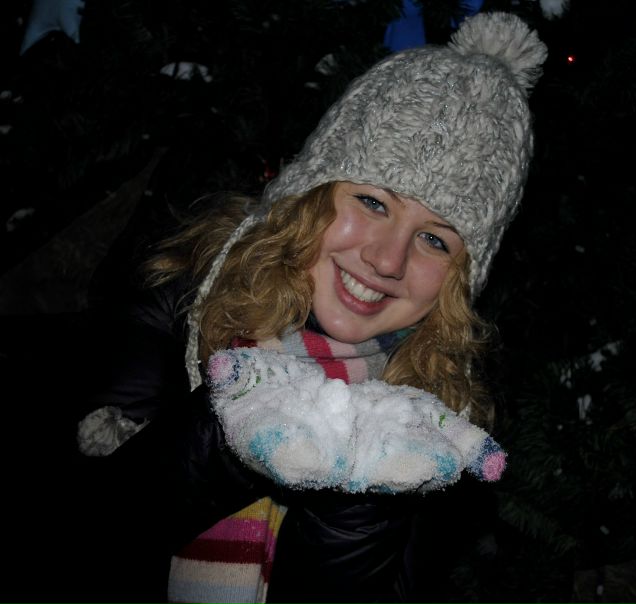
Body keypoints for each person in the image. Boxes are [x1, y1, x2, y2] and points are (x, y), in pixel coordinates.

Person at [9, 10, 546, 604]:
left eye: (435, 240)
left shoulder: (445, 424)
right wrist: (238, 430)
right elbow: (70, 543)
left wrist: (360, 488)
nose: (387, 259)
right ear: (310, 192)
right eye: (372, 202)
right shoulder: (177, 310)